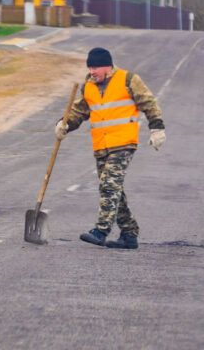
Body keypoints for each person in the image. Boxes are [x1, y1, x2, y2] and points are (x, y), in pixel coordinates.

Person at [56, 47, 165, 250]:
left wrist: (157, 128)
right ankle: (129, 233)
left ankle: (101, 230)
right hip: (101, 146)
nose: (92, 71)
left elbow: (149, 102)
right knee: (114, 190)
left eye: (96, 67)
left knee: (108, 185)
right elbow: (79, 112)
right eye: (89, 67)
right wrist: (64, 124)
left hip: (123, 143)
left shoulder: (128, 79)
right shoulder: (88, 87)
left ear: (108, 66)